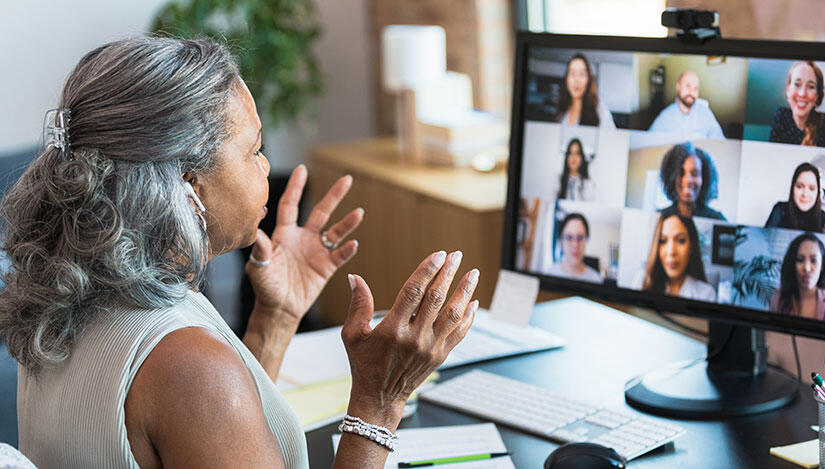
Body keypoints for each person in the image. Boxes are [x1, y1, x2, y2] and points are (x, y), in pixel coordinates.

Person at [0, 37, 480, 468]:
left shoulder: (65, 304)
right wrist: (379, 402)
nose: (267, 164)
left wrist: (275, 318)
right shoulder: (187, 366)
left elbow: (200, 431)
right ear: (188, 185)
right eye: (253, 150)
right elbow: (198, 392)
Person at [637, 213, 717, 301]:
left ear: (691, 247)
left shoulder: (706, 294)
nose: (671, 251)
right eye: (663, 241)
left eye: (681, 240)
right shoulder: (641, 282)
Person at [659, 142, 726, 220]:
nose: (688, 180)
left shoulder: (717, 220)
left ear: (704, 179)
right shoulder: (660, 217)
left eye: (695, 173)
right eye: (681, 173)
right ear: (671, 177)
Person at [648, 71, 725, 138]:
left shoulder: (706, 114)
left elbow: (720, 140)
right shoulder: (665, 117)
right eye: (688, 86)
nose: (691, 92)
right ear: (678, 87)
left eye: (695, 88)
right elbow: (650, 142)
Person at [769, 61, 825, 147]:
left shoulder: (823, 124)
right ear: (788, 90)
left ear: (817, 95)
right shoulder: (781, 116)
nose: (802, 94)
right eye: (797, 84)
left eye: (811, 87)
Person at [770, 233, 825, 320]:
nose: (807, 268)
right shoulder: (779, 299)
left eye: (814, 260)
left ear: (822, 265)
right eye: (800, 260)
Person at [554, 53, 615, 128]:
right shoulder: (563, 111)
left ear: (588, 80)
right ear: (566, 80)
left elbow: (611, 138)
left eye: (582, 74)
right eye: (572, 73)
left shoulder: (600, 111)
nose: (577, 80)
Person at [764, 162, 825, 231]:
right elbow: (766, 240)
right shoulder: (780, 210)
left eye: (811, 188)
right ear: (792, 188)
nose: (805, 194)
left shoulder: (823, 218)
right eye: (799, 187)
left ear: (818, 192)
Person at [546, 213, 603, 283]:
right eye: (569, 237)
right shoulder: (549, 274)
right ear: (561, 240)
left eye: (580, 238)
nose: (575, 245)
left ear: (586, 240)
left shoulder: (596, 279)